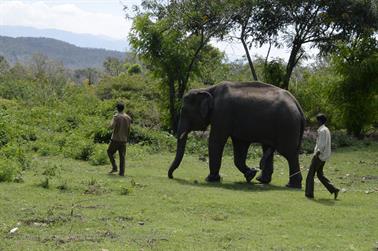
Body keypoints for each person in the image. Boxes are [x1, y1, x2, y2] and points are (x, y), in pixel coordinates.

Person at [305, 113, 339, 199]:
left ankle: (309, 194)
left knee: (310, 175)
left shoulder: (322, 130)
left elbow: (322, 144)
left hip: (319, 156)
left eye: (317, 121)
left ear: (320, 121)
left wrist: (317, 153)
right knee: (320, 175)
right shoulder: (326, 129)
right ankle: (334, 189)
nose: (316, 123)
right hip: (324, 156)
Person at [107, 102, 131, 176]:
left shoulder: (116, 117)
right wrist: (127, 138)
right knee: (122, 156)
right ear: (123, 108)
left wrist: (112, 119)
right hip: (124, 139)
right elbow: (129, 129)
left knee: (109, 152)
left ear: (117, 108)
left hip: (115, 139)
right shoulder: (128, 117)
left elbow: (111, 126)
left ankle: (114, 167)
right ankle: (122, 173)